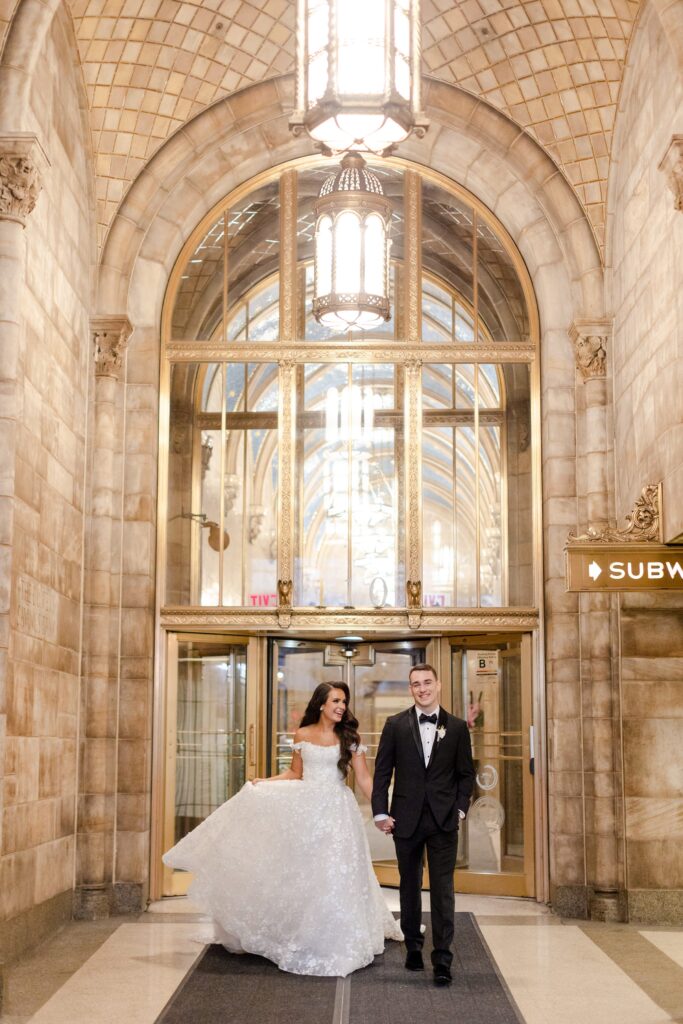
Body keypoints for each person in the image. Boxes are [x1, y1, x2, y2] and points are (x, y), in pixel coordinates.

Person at [163, 681, 402, 977]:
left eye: (344, 701)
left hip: (338, 812)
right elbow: (295, 773)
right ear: (321, 704)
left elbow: (365, 778)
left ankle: (338, 933)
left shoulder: (350, 737)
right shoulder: (302, 734)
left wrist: (383, 811)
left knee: (337, 870)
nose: (342, 706)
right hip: (308, 812)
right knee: (308, 873)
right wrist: (265, 783)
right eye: (336, 701)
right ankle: (305, 932)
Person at [371, 663, 475, 986]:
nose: (422, 688)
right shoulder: (395, 725)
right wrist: (380, 812)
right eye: (416, 684)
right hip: (406, 818)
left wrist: (459, 810)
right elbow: (382, 773)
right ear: (411, 689)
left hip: (444, 820)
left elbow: (466, 775)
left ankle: (443, 958)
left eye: (427, 682)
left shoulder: (457, 727)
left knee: (443, 890)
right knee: (409, 885)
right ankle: (413, 948)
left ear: (438, 685)